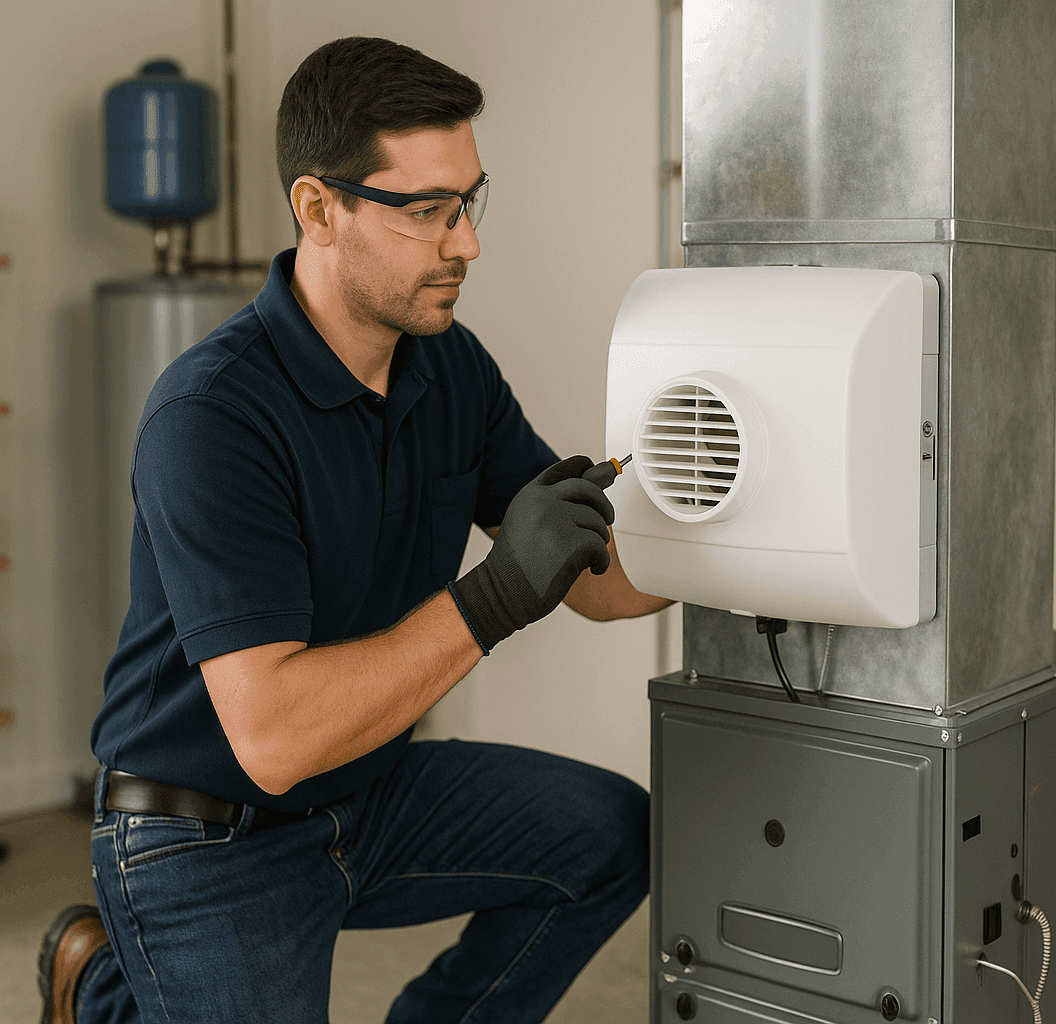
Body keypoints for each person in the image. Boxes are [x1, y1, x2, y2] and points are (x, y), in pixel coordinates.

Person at [38, 36, 669, 1024]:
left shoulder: (450, 367)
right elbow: (276, 738)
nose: (466, 243)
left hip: (368, 792)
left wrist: (750, 520)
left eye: (469, 200)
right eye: (426, 210)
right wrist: (498, 589)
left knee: (612, 835)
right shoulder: (210, 414)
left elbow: (603, 583)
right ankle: (110, 990)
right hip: (204, 830)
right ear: (318, 208)